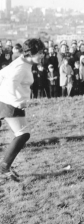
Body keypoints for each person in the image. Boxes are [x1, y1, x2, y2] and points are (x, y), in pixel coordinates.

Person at [0, 38, 45, 182]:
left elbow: (2, 74)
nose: (42, 55)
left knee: (23, 134)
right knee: (23, 134)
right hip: (10, 103)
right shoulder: (21, 66)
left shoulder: (22, 62)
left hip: (10, 102)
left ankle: (4, 167)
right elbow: (10, 83)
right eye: (40, 53)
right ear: (30, 53)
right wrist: (15, 101)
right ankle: (3, 169)